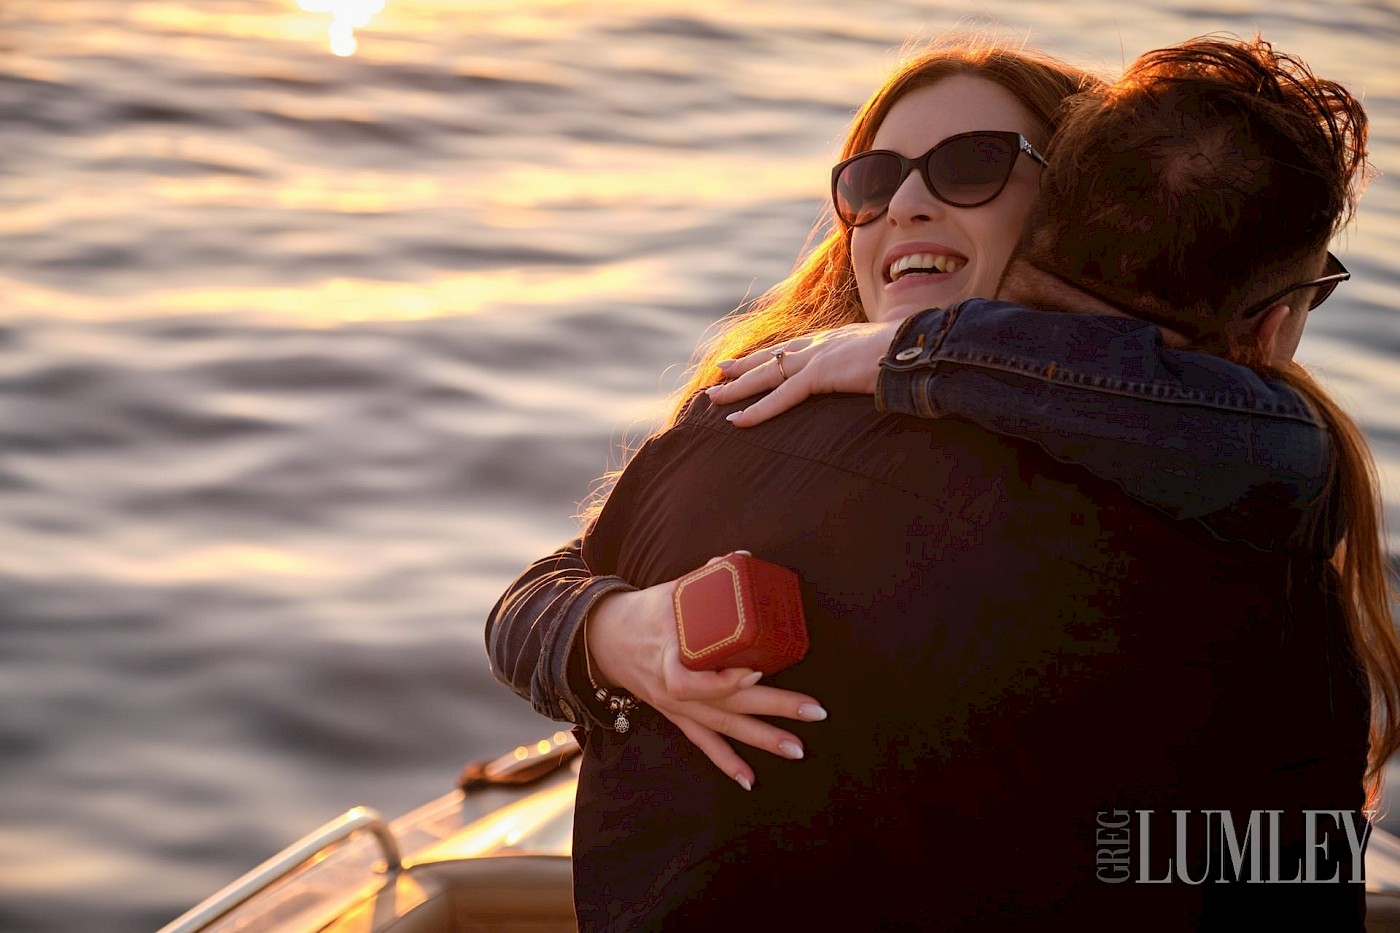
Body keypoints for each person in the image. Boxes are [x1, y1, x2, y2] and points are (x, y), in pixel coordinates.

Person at [492, 33, 1398, 927]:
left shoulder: (737, 432)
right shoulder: (752, 407)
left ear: (1072, 209)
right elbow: (1292, 875)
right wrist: (623, 631)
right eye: (873, 180)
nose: (908, 203)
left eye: (972, 164)